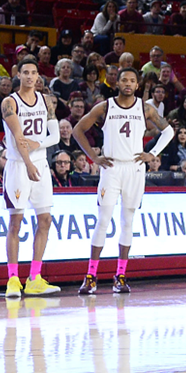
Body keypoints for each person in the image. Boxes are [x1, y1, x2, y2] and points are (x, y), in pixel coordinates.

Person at [73, 68, 172, 294]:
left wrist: (153, 153)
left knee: (128, 221)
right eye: (124, 80)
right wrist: (93, 157)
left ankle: (120, 275)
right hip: (112, 167)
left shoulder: (145, 108)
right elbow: (78, 130)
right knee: (103, 220)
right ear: (116, 83)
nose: (128, 84)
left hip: (135, 168)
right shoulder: (105, 106)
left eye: (132, 80)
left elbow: (168, 132)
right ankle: (91, 275)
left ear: (137, 85)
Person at [1, 58, 63, 299]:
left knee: (45, 220)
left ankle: (35, 278)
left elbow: (55, 136)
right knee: (15, 222)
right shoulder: (10, 102)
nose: (29, 77)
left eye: (33, 73)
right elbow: (18, 137)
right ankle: (13, 279)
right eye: (25, 72)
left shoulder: (46, 101)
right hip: (19, 165)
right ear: (18, 75)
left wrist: (38, 144)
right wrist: (27, 162)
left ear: (38, 76)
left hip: (41, 165)